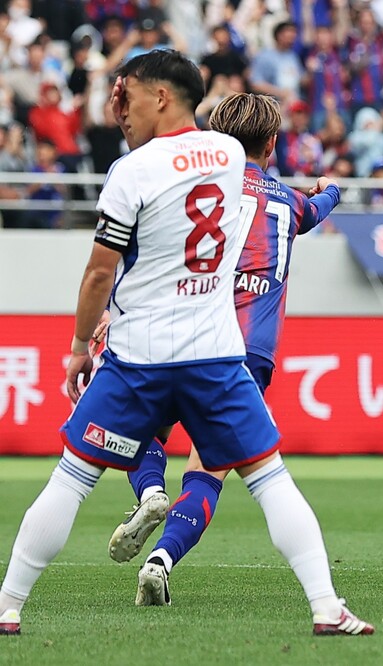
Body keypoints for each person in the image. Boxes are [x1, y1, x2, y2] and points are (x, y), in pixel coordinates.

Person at [0, 51, 372, 637]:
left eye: (130, 96)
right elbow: (277, 203)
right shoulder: (228, 157)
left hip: (139, 353)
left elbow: (101, 272)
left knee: (71, 478)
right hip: (216, 353)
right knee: (270, 479)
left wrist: (78, 345)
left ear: (164, 97)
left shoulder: (132, 171)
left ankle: (8, 606)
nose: (120, 110)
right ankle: (327, 607)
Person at [100, 91, 351, 617]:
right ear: (274, 144)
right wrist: (333, 189)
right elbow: (320, 204)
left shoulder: (192, 193)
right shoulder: (288, 201)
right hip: (250, 353)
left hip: (187, 331)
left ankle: (148, 489)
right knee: (210, 470)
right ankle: (163, 561)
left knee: (142, 432)